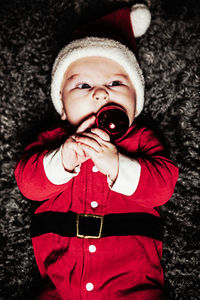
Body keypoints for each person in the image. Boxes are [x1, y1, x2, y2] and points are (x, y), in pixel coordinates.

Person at [14, 4, 179, 300]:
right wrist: (61, 161)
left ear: (135, 102)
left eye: (116, 83)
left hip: (134, 283)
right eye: (83, 85)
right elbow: (28, 183)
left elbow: (163, 187)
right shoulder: (52, 140)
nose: (101, 93)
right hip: (61, 285)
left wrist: (117, 164)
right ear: (62, 107)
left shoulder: (141, 139)